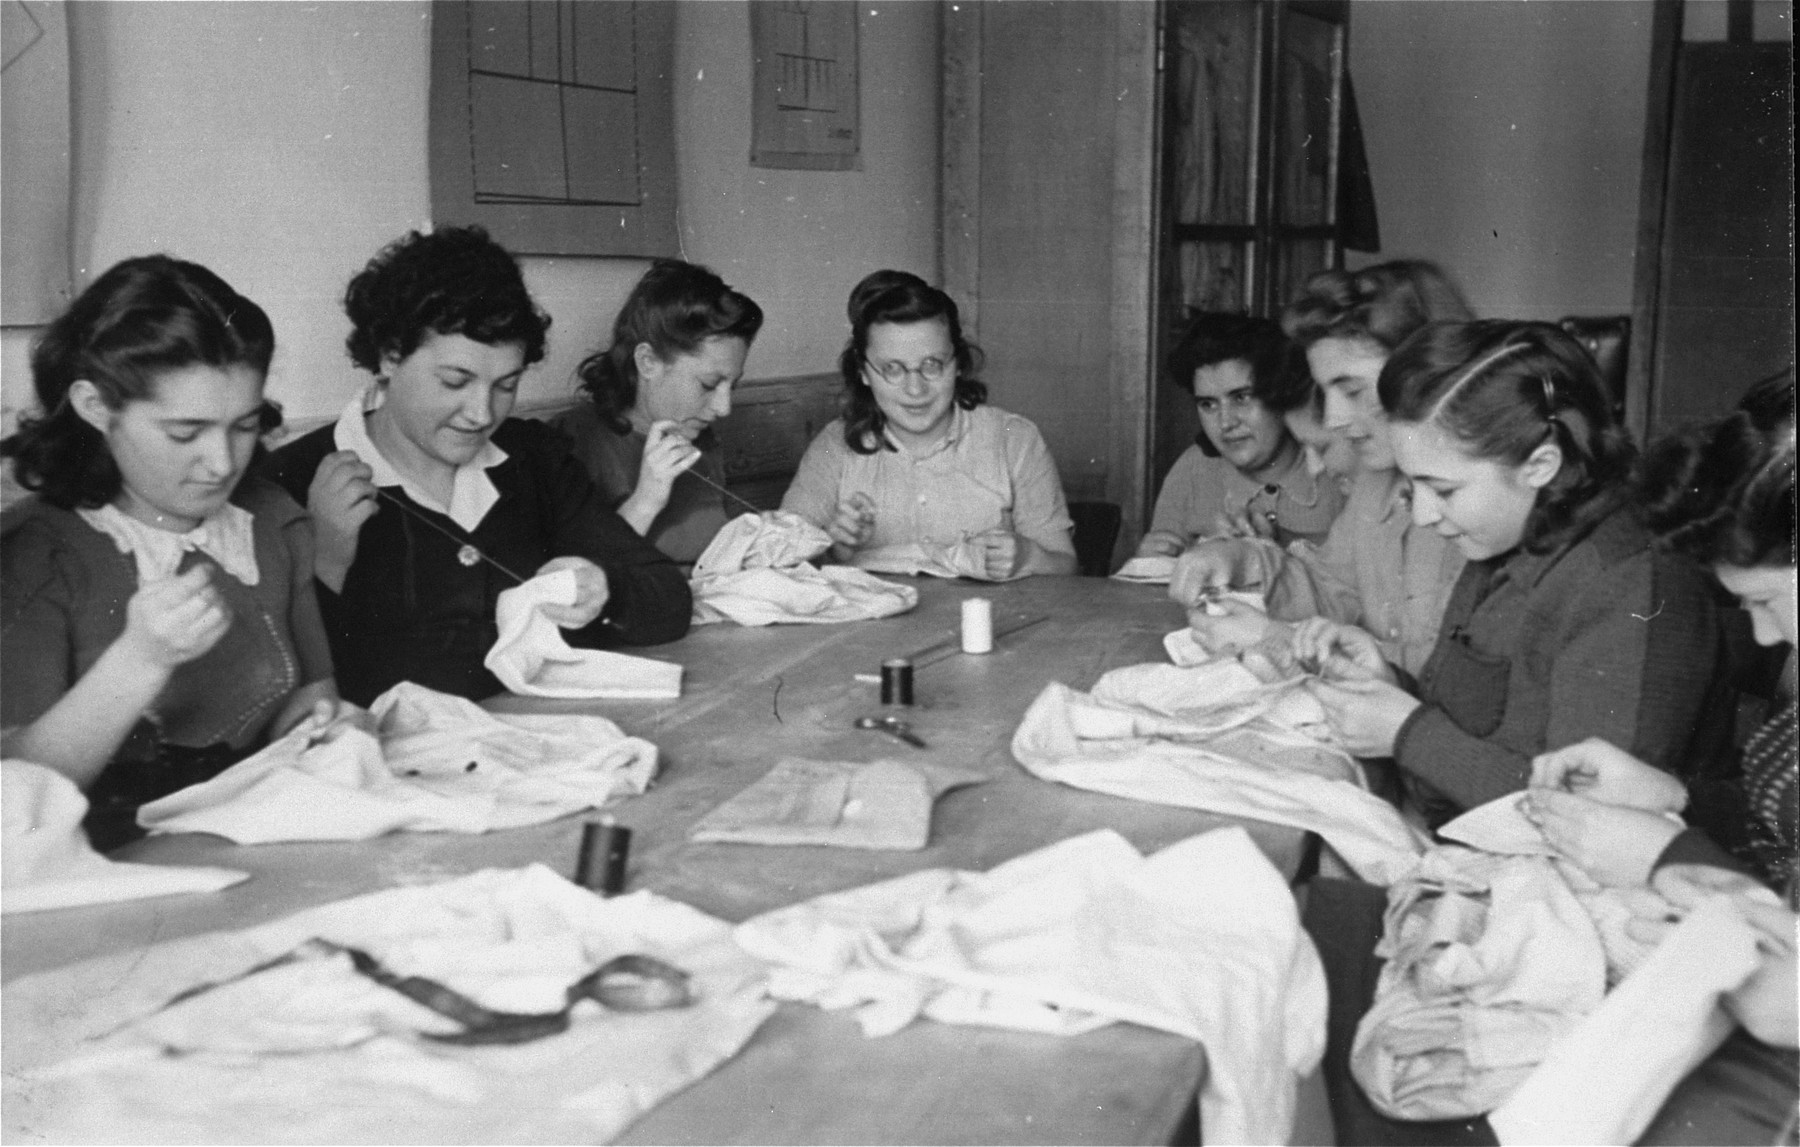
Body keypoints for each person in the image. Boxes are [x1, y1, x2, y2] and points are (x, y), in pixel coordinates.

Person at [1292, 319, 1725, 828]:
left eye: (1444, 490)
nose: (1425, 514)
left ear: (1540, 465)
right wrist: (1390, 685)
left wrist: (1405, 730)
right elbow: (1482, 727)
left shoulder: (1630, 581)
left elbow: (1586, 816)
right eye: (1414, 486)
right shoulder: (1513, 534)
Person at [1, 256, 347, 849]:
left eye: (244, 426)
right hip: (92, 872)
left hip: (258, 842)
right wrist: (140, 659)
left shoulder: (268, 517)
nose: (222, 463)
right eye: (185, 433)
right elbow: (16, 799)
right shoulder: (36, 555)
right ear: (94, 406)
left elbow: (309, 698)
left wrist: (323, 731)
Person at [263, 227, 690, 706]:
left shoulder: (535, 460)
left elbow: (669, 600)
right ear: (388, 357)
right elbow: (276, 691)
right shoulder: (290, 480)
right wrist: (325, 561)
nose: (482, 414)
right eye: (454, 381)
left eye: (506, 385)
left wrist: (606, 590)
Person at [1169, 261, 1474, 676]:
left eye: (1350, 389)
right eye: (1327, 391)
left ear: (1427, 375)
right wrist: (1242, 559)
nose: (1332, 418)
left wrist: (1276, 641)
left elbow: (1455, 679)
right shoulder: (1376, 486)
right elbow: (1332, 588)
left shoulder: (1479, 504)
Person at [780, 270, 1077, 580]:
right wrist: (835, 547)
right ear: (863, 372)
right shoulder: (834, 446)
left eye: (932, 365)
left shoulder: (1014, 439)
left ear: (959, 363)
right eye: (892, 369)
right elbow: (780, 562)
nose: (915, 390)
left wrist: (1029, 558)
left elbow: (1066, 568)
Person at [553, 260, 764, 565]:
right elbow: (570, 579)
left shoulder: (700, 437)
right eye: (708, 384)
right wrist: (646, 499)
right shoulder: (574, 442)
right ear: (648, 362)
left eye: (733, 386)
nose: (724, 407)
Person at [1136, 312, 1345, 556]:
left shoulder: (1338, 465)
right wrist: (1153, 561)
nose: (1226, 422)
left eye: (1241, 398)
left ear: (1279, 392)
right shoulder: (1193, 468)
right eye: (1208, 404)